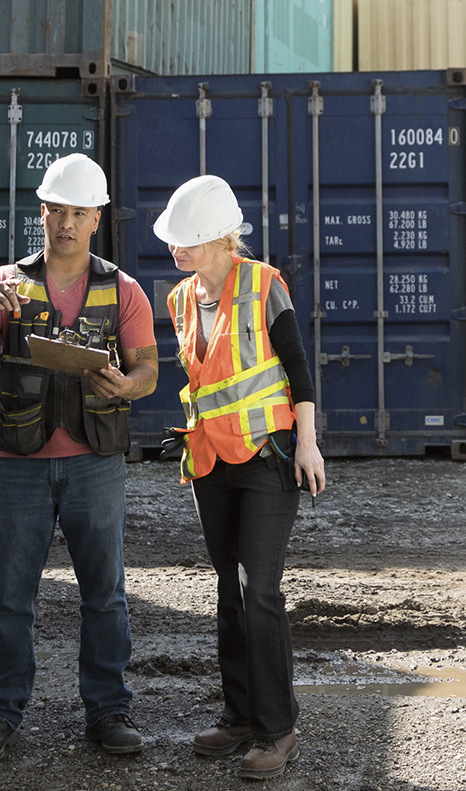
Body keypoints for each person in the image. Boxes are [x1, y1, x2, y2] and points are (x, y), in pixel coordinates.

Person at [0, 153, 160, 763]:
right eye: (57, 211)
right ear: (43, 213)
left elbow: (148, 369)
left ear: (97, 218)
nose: (66, 222)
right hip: (19, 462)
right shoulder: (9, 281)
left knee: (106, 594)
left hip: (95, 461)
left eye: (78, 213)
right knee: (10, 595)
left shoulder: (123, 289)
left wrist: (128, 383)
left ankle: (109, 712)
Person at [153, 174, 326, 781]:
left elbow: (298, 370)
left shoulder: (262, 285)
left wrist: (308, 444)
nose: (176, 251)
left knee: (260, 588)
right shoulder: (179, 299)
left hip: (268, 455)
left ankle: (277, 730)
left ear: (219, 239)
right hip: (211, 461)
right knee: (227, 587)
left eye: (187, 242)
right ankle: (239, 715)